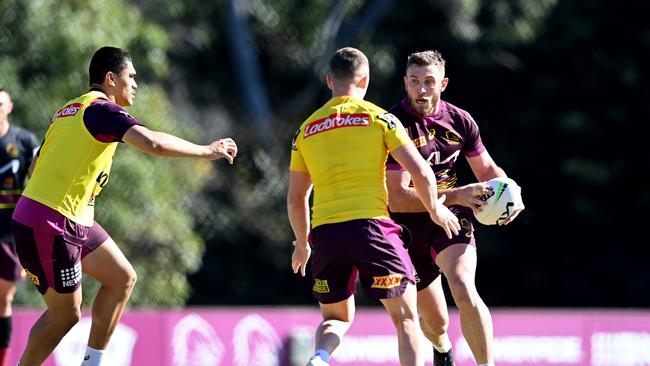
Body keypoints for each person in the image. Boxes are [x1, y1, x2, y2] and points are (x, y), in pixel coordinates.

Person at [10, 46, 238, 366]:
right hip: (50, 221)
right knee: (65, 316)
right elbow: (153, 143)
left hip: (70, 218)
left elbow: (35, 167)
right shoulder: (103, 109)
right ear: (110, 79)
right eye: (131, 76)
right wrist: (206, 150)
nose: (135, 84)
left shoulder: (69, 109)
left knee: (121, 278)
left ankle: (93, 363)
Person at [287, 47, 461, 366]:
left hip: (326, 235)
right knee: (406, 318)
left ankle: (320, 358)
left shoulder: (306, 130)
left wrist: (301, 243)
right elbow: (421, 171)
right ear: (365, 80)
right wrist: (436, 209)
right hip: (372, 228)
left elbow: (297, 196)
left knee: (336, 318)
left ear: (329, 81)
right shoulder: (380, 118)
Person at [385, 50, 524, 366]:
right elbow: (398, 198)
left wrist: (509, 192)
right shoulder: (393, 126)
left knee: (463, 287)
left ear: (443, 84)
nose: (422, 90)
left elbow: (488, 171)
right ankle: (444, 350)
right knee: (436, 324)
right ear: (405, 82)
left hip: (451, 217)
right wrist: (458, 194)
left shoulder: (460, 120)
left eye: (429, 82)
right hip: (407, 227)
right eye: (415, 81)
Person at [0, 87, 39, 366]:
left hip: (9, 232)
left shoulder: (23, 141)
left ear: (9, 106)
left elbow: (38, 173)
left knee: (3, 299)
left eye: (0, 104)